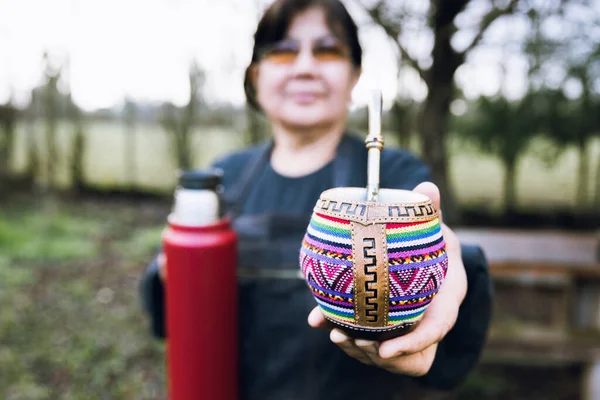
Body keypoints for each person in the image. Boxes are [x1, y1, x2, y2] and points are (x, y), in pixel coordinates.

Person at [140, 0, 492, 398]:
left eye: (327, 50)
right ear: (256, 76)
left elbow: (437, 240)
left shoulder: (395, 176)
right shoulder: (226, 177)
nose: (304, 67)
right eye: (283, 51)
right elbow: (174, 319)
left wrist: (445, 260)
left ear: (354, 74)